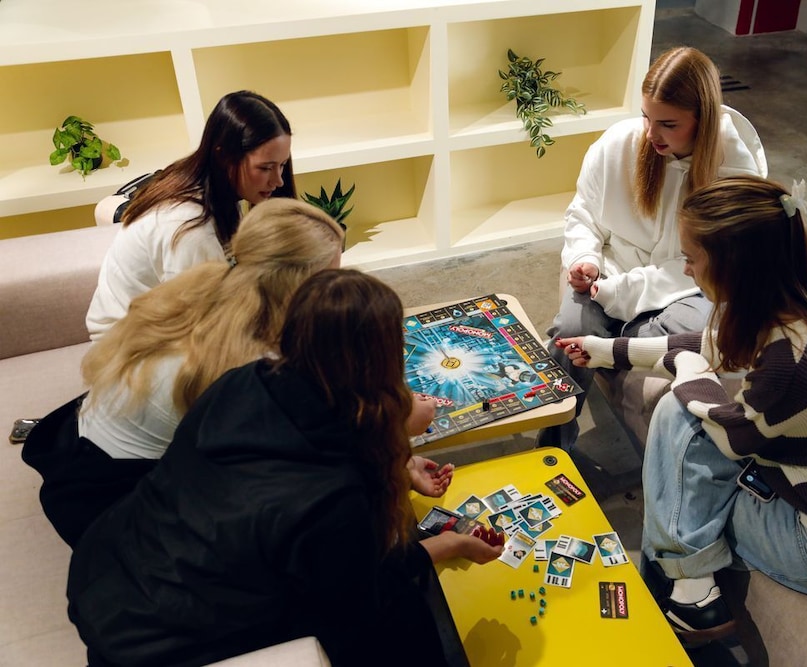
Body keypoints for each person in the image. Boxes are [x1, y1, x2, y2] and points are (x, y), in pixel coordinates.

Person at [66, 269, 504, 667]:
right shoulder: (336, 494)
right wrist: (444, 544)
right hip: (161, 641)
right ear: (384, 362)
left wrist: (394, 450)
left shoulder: (243, 379)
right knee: (405, 628)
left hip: (106, 571)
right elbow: (359, 608)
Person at [556, 176, 807, 646]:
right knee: (685, 457)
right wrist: (607, 351)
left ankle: (691, 598)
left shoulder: (793, 363)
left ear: (733, 267)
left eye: (691, 258)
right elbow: (709, 346)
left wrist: (686, 372)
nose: (685, 270)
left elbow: (730, 435)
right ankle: (689, 586)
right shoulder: (803, 309)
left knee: (678, 431)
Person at [22, 198, 344, 547]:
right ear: (296, 285)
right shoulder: (253, 360)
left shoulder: (206, 283)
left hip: (76, 454)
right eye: (330, 278)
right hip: (116, 504)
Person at [538, 46, 768, 450]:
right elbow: (583, 213)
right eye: (646, 116)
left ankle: (621, 347)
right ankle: (554, 443)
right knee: (571, 329)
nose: (650, 134)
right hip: (609, 273)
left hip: (686, 287)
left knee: (690, 325)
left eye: (668, 124)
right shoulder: (618, 144)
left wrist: (618, 294)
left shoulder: (735, 174)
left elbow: (703, 267)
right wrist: (585, 259)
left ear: (703, 120)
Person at [86, 90, 296, 340]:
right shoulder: (190, 228)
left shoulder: (217, 190)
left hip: (162, 327)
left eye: (282, 165)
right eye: (265, 168)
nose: (278, 180)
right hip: (128, 344)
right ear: (224, 156)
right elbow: (201, 327)